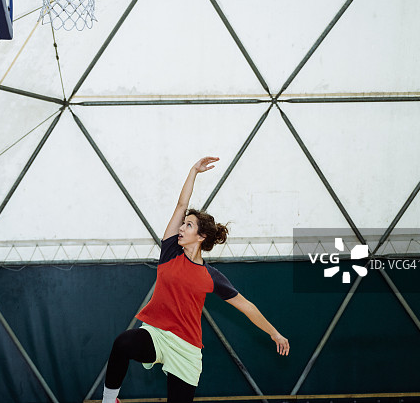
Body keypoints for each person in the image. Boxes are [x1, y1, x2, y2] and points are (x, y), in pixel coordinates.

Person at [102, 156, 290, 403]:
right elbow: (181, 206)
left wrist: (274, 333)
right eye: (183, 224)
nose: (181, 227)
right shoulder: (170, 251)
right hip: (157, 335)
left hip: (186, 349)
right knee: (123, 343)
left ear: (200, 236)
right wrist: (193, 171)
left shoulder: (211, 277)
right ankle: (109, 400)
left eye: (188, 226)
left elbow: (246, 306)